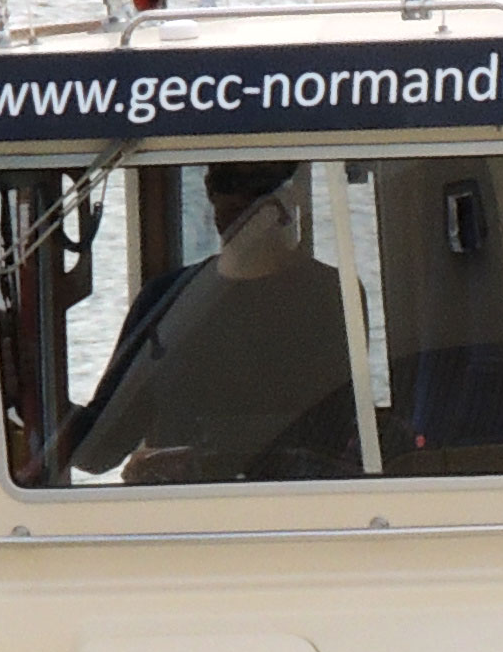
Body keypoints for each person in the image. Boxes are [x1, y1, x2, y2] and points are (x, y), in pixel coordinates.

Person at [65, 162, 360, 482]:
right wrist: (29, 394)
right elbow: (99, 449)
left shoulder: (332, 295)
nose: (241, 207)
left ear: (289, 201)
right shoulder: (163, 300)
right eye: (227, 185)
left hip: (302, 507)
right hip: (186, 516)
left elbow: (331, 429)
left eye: (258, 190)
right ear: (211, 195)